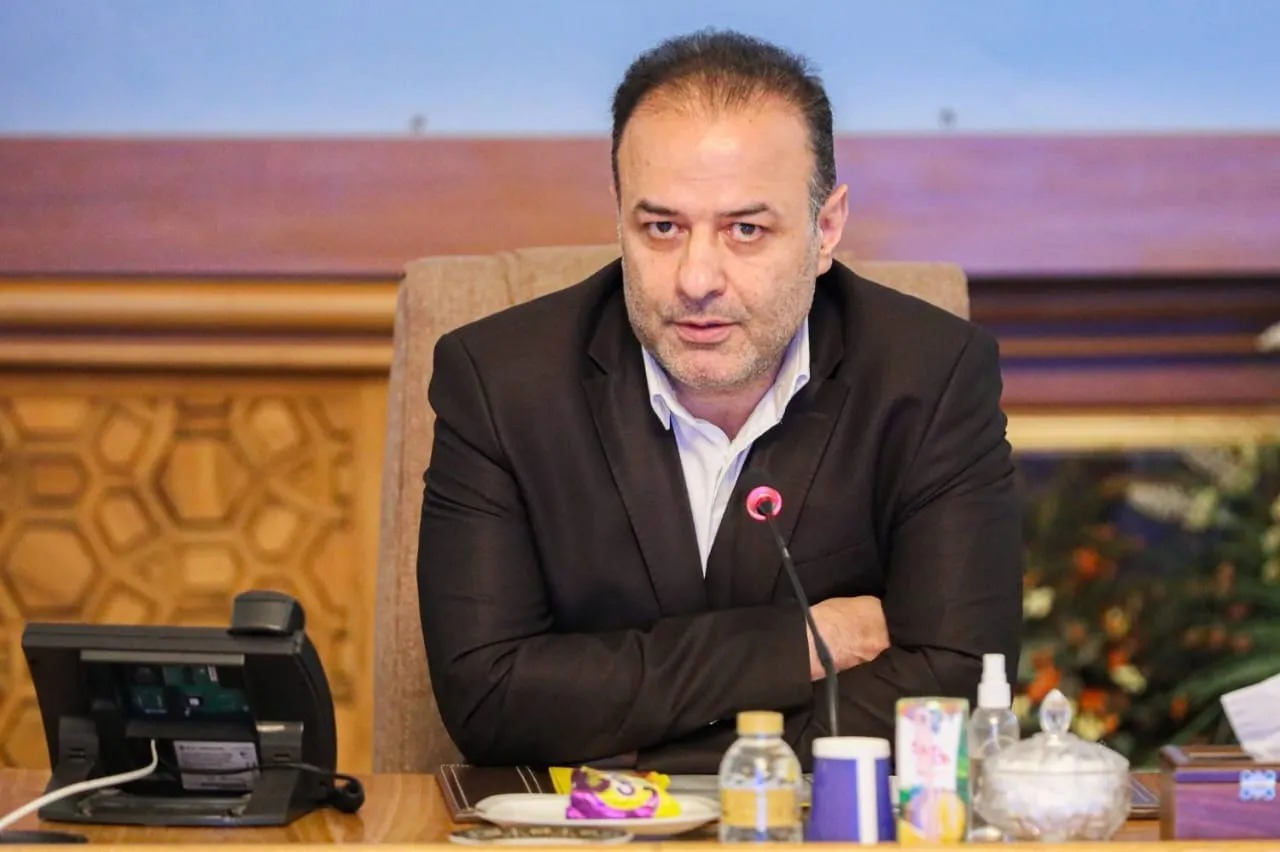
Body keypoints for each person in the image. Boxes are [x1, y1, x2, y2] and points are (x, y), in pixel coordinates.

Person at [417, 29, 1022, 773]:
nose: (696, 278)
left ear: (826, 229)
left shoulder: (929, 378)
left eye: (745, 229)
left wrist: (641, 743)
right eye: (662, 228)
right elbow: (490, 698)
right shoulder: (500, 384)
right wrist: (800, 643)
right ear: (619, 218)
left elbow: (952, 690)